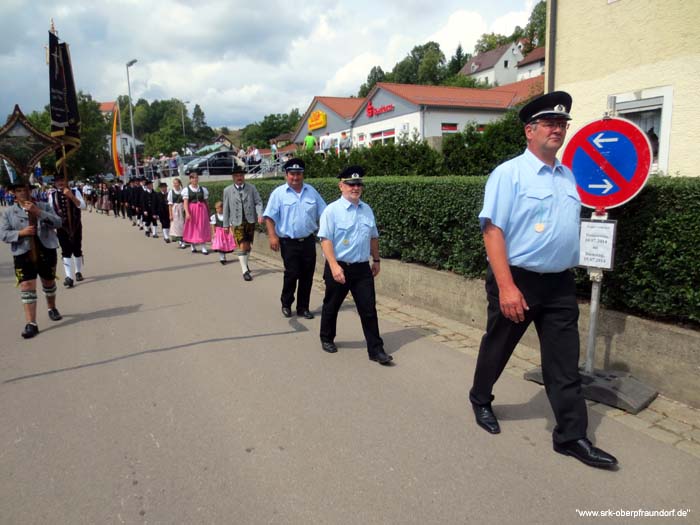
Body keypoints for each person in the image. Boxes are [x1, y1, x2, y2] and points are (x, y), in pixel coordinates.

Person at [469, 91, 618, 469]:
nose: (558, 129)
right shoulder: (509, 174)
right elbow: (493, 231)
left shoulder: (568, 175)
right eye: (550, 123)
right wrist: (506, 286)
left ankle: (571, 437)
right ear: (529, 131)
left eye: (562, 124)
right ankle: (481, 397)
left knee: (564, 364)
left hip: (559, 284)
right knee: (499, 346)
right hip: (517, 279)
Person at [317, 166, 392, 366]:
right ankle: (326, 337)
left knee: (368, 309)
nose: (355, 187)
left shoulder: (367, 209)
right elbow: (325, 240)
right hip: (339, 265)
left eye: (358, 184)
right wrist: (333, 265)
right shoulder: (331, 210)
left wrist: (376, 260)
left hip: (361, 268)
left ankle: (376, 350)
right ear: (341, 185)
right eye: (351, 184)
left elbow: (373, 237)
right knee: (332, 305)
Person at [264, 158, 326, 319]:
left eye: (298, 174)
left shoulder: (311, 192)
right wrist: (272, 236)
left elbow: (325, 213)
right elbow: (269, 217)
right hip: (288, 242)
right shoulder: (279, 194)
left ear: (303, 175)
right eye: (292, 174)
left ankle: (303, 307)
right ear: (286, 175)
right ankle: (286, 303)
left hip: (308, 241)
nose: (295, 177)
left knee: (307, 275)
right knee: (292, 273)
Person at [0, 181, 63, 338]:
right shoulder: (9, 212)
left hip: (46, 249)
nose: (23, 193)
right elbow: (3, 234)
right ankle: (31, 323)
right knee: (27, 285)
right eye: (19, 190)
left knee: (48, 281)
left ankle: (52, 308)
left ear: (31, 191)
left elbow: (58, 222)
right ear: (14, 193)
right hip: (22, 252)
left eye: (25, 190)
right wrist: (20, 233)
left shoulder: (43, 205)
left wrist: (38, 212)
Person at [222, 165, 263, 281]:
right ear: (233, 177)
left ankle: (245, 263)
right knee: (242, 245)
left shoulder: (251, 188)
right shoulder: (227, 190)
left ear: (244, 176)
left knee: (248, 245)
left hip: (250, 220)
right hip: (236, 221)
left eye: (241, 175)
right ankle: (244, 270)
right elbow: (226, 209)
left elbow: (258, 202)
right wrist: (225, 224)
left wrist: (260, 214)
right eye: (236, 176)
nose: (239, 177)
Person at [48, 177, 86, 288]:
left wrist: (71, 196)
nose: (60, 183)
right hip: (62, 227)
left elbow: (83, 206)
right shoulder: (52, 195)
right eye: (57, 181)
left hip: (76, 226)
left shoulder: (75, 191)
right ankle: (69, 277)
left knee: (77, 249)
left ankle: (78, 271)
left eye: (62, 180)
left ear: (66, 181)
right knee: (65, 251)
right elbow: (51, 211)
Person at [182, 172, 211, 254]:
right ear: (190, 179)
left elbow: (206, 201)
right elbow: (185, 202)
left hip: (202, 210)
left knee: (202, 227)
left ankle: (203, 246)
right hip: (192, 210)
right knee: (193, 227)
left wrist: (208, 211)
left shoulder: (203, 189)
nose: (195, 179)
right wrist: (187, 213)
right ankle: (193, 244)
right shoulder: (186, 190)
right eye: (193, 178)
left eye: (196, 178)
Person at [210, 201, 236, 265]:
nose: (217, 210)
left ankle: (223, 255)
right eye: (216, 208)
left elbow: (230, 225)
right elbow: (213, 225)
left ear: (222, 208)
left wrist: (231, 232)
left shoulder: (226, 216)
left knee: (225, 244)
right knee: (220, 245)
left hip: (225, 232)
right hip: (218, 232)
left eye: (218, 208)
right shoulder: (214, 216)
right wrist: (213, 233)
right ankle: (222, 258)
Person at [168, 177, 186, 248]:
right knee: (177, 225)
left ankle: (184, 238)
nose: (175, 184)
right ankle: (180, 240)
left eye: (176, 183)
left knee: (183, 224)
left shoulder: (183, 191)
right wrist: (170, 214)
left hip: (182, 208)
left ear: (179, 183)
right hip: (175, 210)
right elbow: (170, 204)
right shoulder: (171, 192)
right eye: (174, 183)